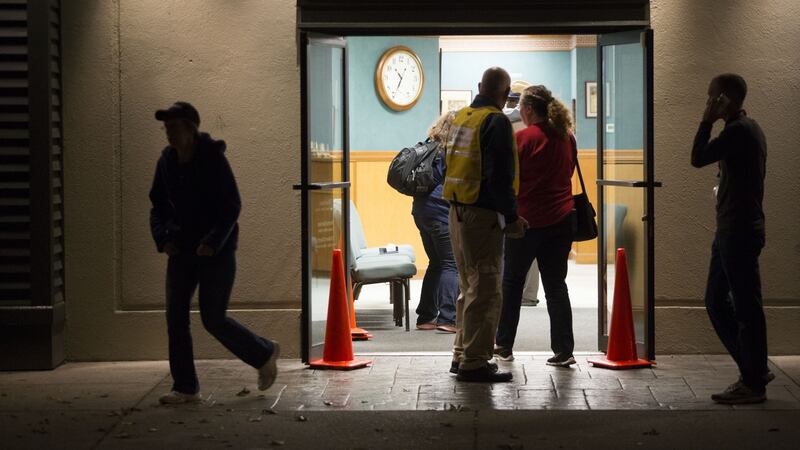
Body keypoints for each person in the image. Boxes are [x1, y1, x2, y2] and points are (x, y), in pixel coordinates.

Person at [149, 101, 280, 404]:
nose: (168, 133)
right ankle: (185, 387)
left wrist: (212, 242)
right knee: (175, 317)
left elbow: (232, 205)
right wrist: (163, 237)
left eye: (174, 127)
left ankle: (263, 353)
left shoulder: (212, 159)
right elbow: (157, 206)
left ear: (191, 130)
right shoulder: (166, 161)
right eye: (166, 127)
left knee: (213, 319)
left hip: (215, 253)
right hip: (181, 251)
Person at [443, 67, 528, 382]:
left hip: (457, 210)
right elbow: (500, 176)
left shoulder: (460, 118)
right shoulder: (496, 121)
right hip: (482, 216)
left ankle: (461, 354)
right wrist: (512, 219)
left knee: (469, 287)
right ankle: (475, 361)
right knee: (488, 288)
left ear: (479, 86)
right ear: (505, 96)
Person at [691, 74, 771, 404]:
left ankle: (753, 379)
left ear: (725, 99)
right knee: (723, 300)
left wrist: (705, 122)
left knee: (743, 306)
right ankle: (753, 370)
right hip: (734, 228)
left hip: (737, 231)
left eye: (711, 98)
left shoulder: (738, 131)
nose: (708, 103)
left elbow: (697, 157)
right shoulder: (747, 129)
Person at [494, 85, 577, 367]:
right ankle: (564, 350)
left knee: (512, 283)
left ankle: (503, 345)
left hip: (526, 222)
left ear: (528, 110)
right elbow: (568, 171)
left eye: (521, 110)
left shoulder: (524, 138)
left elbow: (510, 178)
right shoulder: (568, 137)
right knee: (556, 286)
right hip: (562, 219)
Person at [413, 112, 459, 334]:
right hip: (441, 213)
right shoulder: (452, 151)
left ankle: (426, 316)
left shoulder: (431, 147)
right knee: (451, 264)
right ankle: (449, 318)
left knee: (436, 262)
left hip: (421, 212)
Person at [504, 80, 540, 308]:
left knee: (513, 248)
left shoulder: (506, 124)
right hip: (542, 198)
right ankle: (529, 294)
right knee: (535, 252)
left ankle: (513, 294)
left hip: (516, 194)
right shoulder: (553, 130)